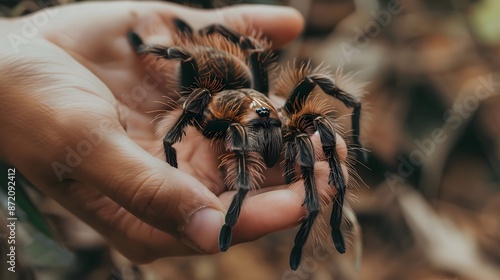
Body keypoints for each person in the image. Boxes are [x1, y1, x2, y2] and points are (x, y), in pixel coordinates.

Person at [0, 1, 348, 263]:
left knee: (316, 108)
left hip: (250, 96)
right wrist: (173, 153)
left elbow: (303, 113)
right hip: (217, 91)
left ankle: (325, 227)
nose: (271, 131)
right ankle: (146, 46)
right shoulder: (206, 105)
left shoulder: (284, 119)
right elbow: (177, 130)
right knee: (186, 58)